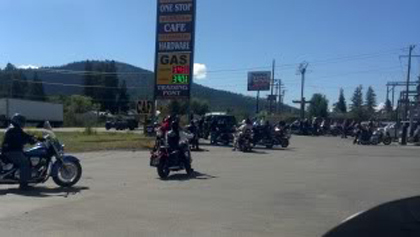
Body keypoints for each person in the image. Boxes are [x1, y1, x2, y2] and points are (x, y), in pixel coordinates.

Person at [1, 114, 38, 189]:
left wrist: (35, 138)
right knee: (25, 163)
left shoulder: (15, 128)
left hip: (12, 150)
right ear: (18, 121)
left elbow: (24, 135)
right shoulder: (13, 129)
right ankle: (23, 185)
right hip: (11, 151)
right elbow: (19, 140)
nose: (23, 123)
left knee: (27, 158)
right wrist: (29, 140)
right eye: (22, 121)